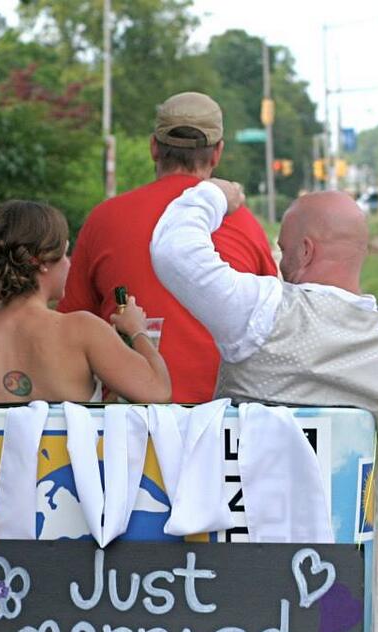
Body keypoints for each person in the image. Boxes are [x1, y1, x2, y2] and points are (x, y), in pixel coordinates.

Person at [150, 180, 378, 449]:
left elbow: (173, 249)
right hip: (336, 492)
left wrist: (214, 194)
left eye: (283, 250)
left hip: (245, 488)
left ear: (305, 252)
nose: (281, 264)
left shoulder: (261, 311)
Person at [59, 91, 277, 402]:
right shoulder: (244, 223)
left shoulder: (104, 219)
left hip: (131, 415)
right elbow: (271, 325)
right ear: (217, 153)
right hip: (221, 415)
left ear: (153, 147)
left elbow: (70, 328)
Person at [0, 199, 171, 404]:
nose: (68, 263)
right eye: (64, 253)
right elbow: (159, 392)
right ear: (43, 263)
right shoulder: (82, 329)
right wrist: (137, 330)